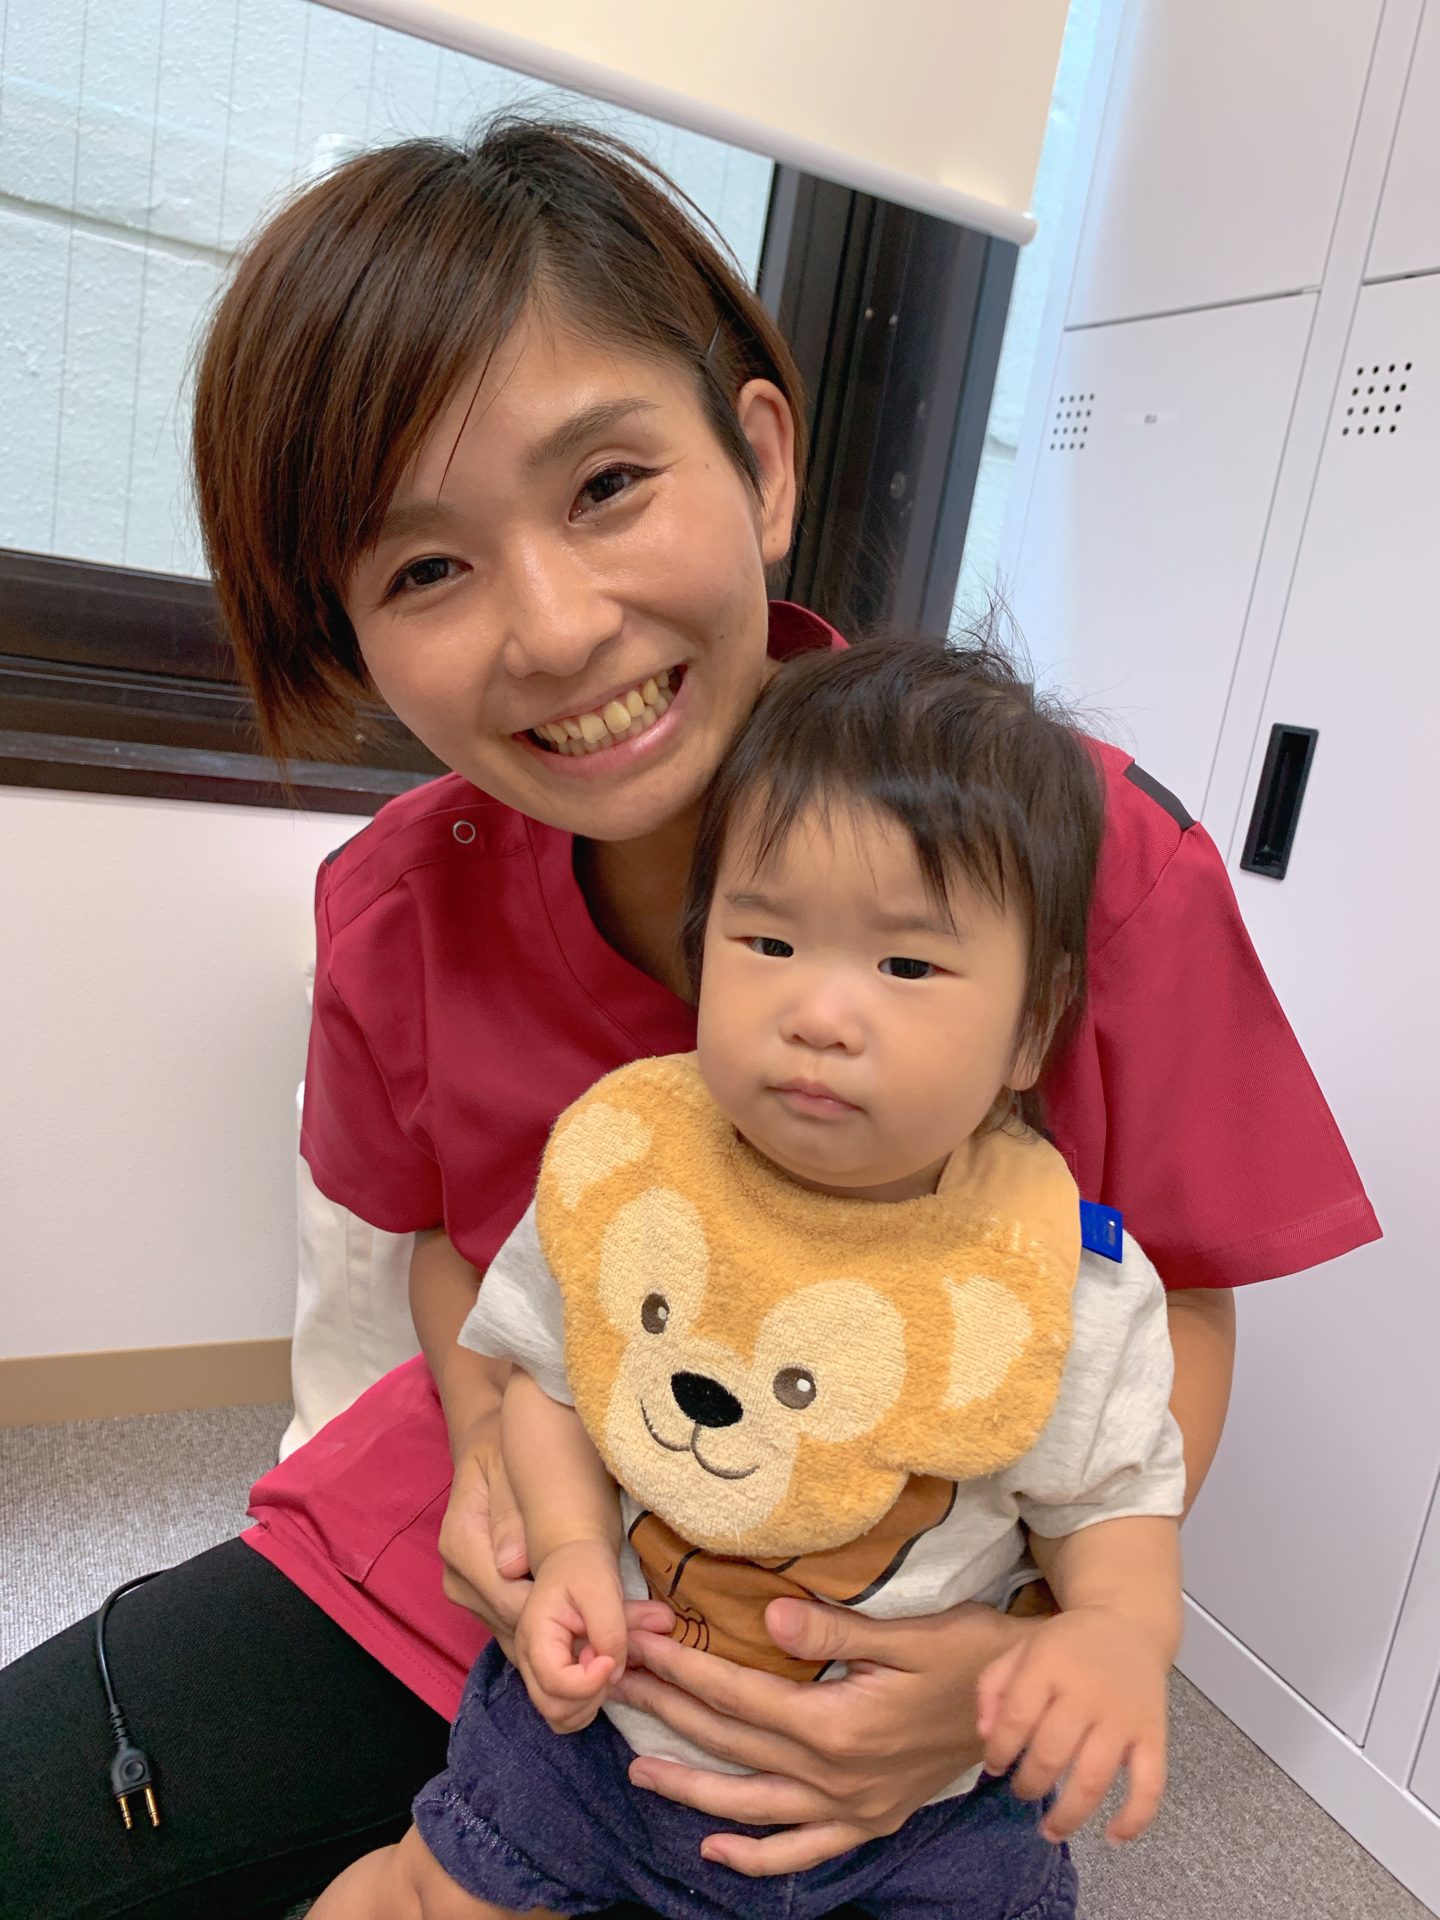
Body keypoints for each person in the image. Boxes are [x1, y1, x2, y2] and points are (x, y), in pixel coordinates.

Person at [0, 119, 1378, 1920]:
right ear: (348, 634)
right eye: (424, 570)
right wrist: (501, 1466)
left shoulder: (1068, 854)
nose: (556, 627)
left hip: (886, 1641)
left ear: (763, 460)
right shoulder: (398, 905)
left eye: (604, 486)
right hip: (488, 1557)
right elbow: (456, 1249)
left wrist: (1027, 1647)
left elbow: (1160, 1303)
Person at [309, 635, 1187, 1920]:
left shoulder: (1057, 1280)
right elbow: (551, 1382)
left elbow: (1115, 1507)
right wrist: (567, 1545)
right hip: (603, 1734)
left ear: (1033, 1028)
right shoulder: (636, 1169)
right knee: (431, 1891)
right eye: (767, 941)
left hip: (924, 1812)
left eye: (906, 965)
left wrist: (1113, 1635)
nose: (818, 1014)